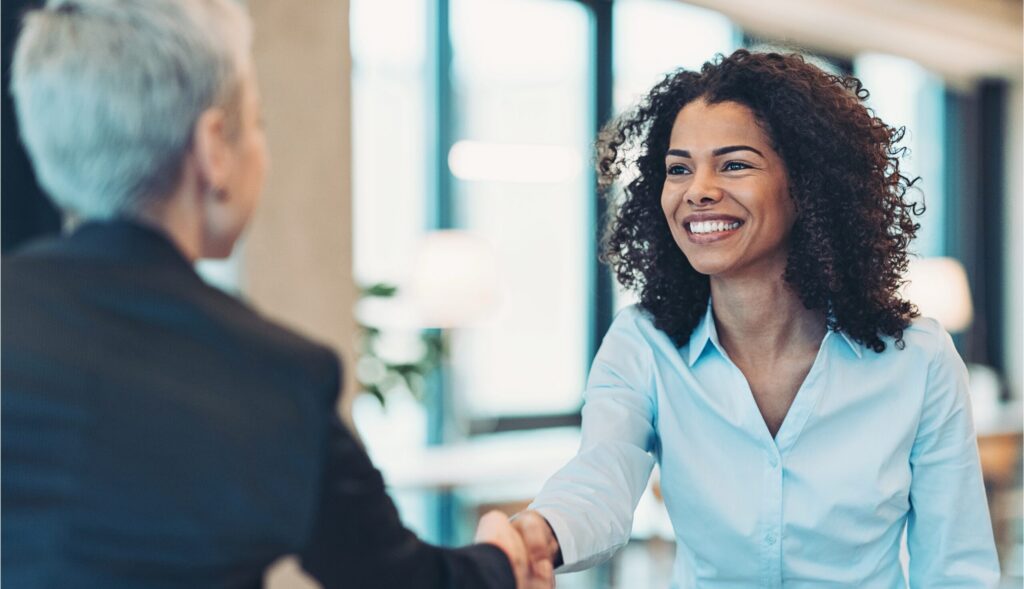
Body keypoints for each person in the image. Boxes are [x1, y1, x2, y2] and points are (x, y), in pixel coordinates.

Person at [1, 1, 552, 588]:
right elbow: (401, 580)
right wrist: (501, 562)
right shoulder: (275, 377)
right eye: (258, 121)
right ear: (214, 148)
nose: (260, 144)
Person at [511, 49, 1000, 587]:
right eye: (679, 169)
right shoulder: (643, 344)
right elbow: (600, 478)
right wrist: (540, 533)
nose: (698, 190)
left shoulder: (919, 360)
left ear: (807, 186)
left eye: (735, 164)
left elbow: (956, 569)